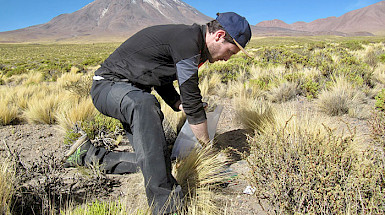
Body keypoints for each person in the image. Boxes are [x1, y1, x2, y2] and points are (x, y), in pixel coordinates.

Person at [66, 12, 251, 214]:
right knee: (145, 104)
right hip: (108, 87)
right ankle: (167, 206)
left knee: (156, 158)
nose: (227, 59)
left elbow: (158, 73)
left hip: (131, 92)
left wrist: (177, 103)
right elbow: (192, 100)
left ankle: (89, 157)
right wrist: (208, 151)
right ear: (219, 35)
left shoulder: (191, 41)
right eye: (230, 51)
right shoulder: (188, 40)